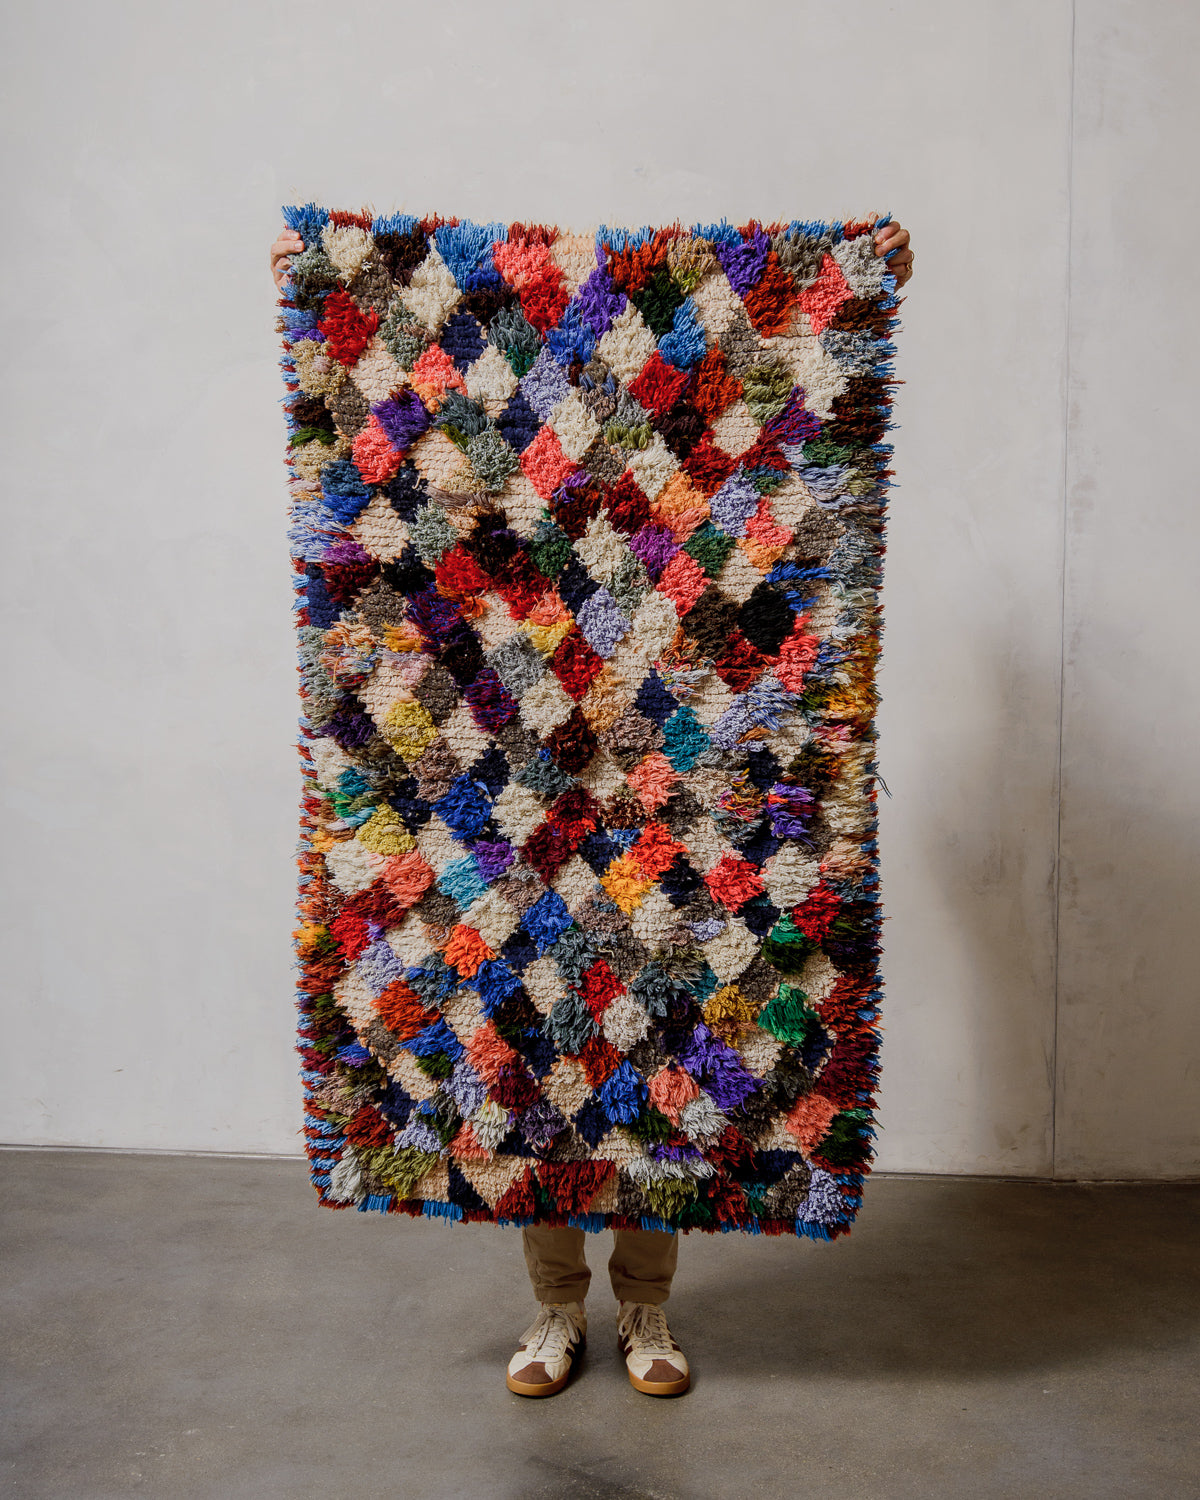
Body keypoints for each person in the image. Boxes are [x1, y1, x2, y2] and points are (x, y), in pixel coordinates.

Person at [269, 214, 913, 1399]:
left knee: (666, 1028)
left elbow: (747, 483)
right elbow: (426, 535)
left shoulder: (678, 474)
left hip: (661, 779)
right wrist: (325, 291)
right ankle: (556, 1310)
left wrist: (854, 280)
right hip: (508, 780)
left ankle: (648, 1310)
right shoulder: (501, 466)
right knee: (533, 1043)